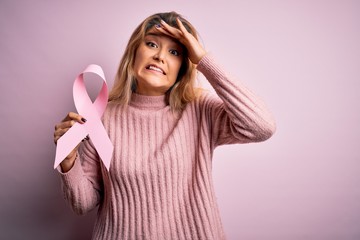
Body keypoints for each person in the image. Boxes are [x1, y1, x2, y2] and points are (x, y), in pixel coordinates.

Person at [54, 11, 276, 240]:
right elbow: (83, 204)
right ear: (134, 53)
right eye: (151, 44)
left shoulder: (199, 108)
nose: (160, 56)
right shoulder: (101, 117)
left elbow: (261, 127)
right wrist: (68, 160)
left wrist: (203, 60)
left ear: (183, 67)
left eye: (174, 52)